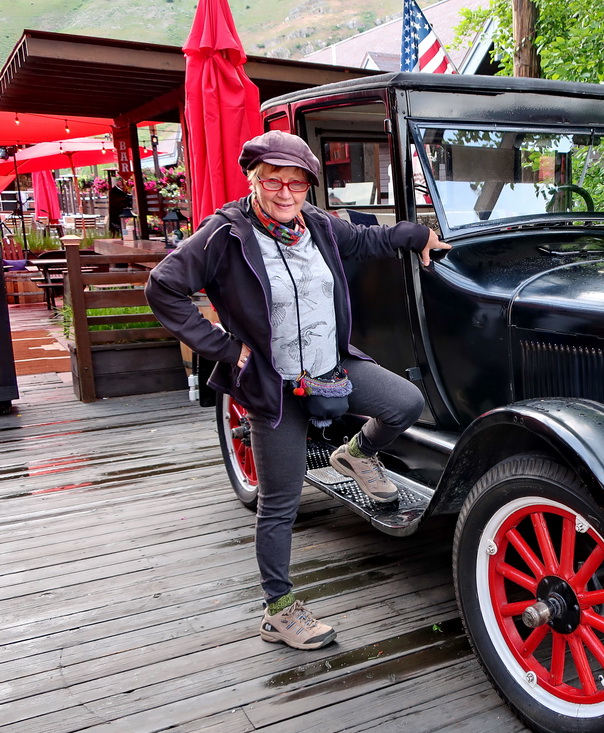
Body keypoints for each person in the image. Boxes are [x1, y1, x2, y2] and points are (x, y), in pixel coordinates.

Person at [145, 131, 450, 650]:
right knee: (280, 503)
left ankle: (357, 454)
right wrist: (222, 347)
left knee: (405, 403)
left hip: (332, 369)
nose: (285, 193)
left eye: (297, 183)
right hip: (274, 386)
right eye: (273, 181)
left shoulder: (319, 227)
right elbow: (163, 287)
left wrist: (417, 235)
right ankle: (279, 610)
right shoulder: (225, 233)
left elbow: (370, 240)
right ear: (254, 180)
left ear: (309, 186)